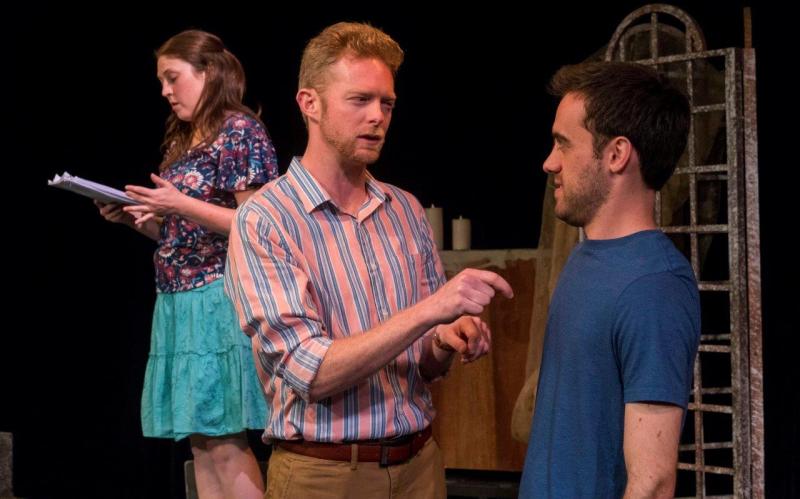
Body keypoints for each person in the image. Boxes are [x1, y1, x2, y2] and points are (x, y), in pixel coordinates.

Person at [224, 22, 513, 499]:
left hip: (419, 464)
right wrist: (431, 310)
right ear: (309, 103)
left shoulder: (404, 210)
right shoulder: (266, 218)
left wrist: (444, 339)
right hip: (327, 477)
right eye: (359, 100)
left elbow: (420, 362)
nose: (378, 116)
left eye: (388, 103)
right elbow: (307, 371)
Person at [95, 29, 278, 499]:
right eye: (162, 81)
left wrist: (180, 205)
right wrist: (136, 222)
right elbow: (182, 232)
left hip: (218, 297)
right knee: (200, 443)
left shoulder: (239, 130)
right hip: (178, 301)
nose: (165, 91)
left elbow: (258, 225)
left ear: (208, 73)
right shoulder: (184, 138)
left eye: (173, 78)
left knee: (225, 441)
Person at [519, 61, 701, 498]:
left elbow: (653, 482)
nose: (549, 163)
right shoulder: (587, 257)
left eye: (564, 144)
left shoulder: (654, 286)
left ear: (616, 154)